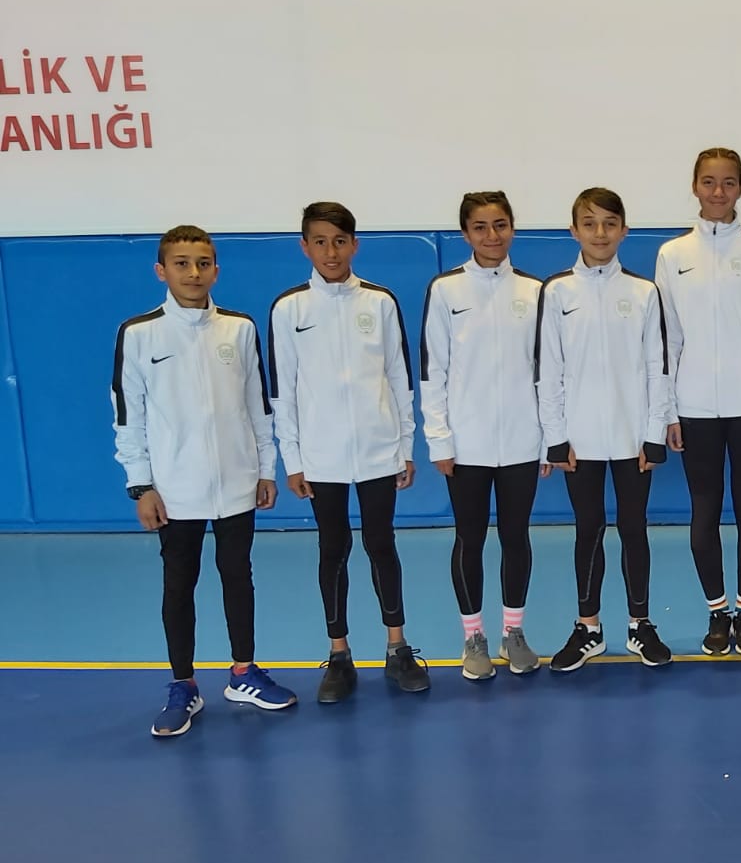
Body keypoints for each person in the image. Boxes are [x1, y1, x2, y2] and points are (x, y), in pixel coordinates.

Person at [113, 225, 295, 737]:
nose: (193, 273)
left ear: (216, 269)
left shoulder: (239, 329)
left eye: (203, 263)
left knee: (238, 576)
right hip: (175, 490)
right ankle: (183, 685)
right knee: (179, 585)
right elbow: (128, 418)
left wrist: (265, 469)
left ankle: (243, 673)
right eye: (182, 263)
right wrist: (141, 485)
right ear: (161, 271)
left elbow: (258, 407)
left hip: (237, 483)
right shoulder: (139, 334)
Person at [268, 201, 429, 701]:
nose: (331, 251)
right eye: (320, 242)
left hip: (379, 451)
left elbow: (399, 378)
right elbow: (283, 392)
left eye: (340, 241)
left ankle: (397, 647)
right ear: (305, 247)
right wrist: (294, 460)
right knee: (332, 548)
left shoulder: (379, 302)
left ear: (355, 245)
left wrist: (404, 446)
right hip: (322, 458)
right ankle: (339, 655)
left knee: (382, 544)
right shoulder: (289, 308)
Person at [655, 148, 741, 656]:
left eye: (728, 182)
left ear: (740, 188)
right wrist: (669, 411)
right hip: (693, 409)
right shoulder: (672, 255)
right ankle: (718, 613)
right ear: (695, 187)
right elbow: (666, 339)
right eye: (709, 182)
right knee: (704, 513)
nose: (718, 191)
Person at [537, 188, 673, 671]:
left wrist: (654, 432)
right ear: (573, 230)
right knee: (588, 529)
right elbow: (548, 369)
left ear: (624, 231)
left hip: (633, 438)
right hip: (579, 442)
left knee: (634, 528)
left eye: (610, 223)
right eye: (590, 223)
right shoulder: (556, 292)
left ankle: (640, 625)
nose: (600, 233)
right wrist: (555, 437)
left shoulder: (643, 292)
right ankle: (588, 628)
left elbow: (658, 368)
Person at [420, 191, 543, 680]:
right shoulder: (446, 290)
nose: (492, 236)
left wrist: (548, 439)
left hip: (522, 442)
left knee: (516, 537)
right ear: (465, 233)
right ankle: (473, 636)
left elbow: (548, 371)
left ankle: (514, 632)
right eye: (480, 227)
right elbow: (433, 371)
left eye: (500, 225)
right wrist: (440, 439)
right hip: (465, 445)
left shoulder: (535, 291)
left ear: (512, 227)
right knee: (469, 539)